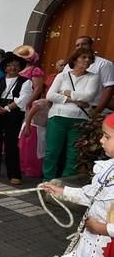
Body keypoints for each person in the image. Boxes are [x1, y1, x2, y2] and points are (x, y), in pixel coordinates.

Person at [39, 112, 114, 257]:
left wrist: (102, 229)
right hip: (92, 241)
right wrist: (62, 192)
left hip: (106, 247)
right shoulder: (109, 168)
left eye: (107, 136)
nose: (101, 141)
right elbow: (90, 194)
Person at [44, 47, 100, 181]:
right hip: (57, 117)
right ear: (75, 59)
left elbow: (89, 96)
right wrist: (72, 100)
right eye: (83, 57)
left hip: (79, 120)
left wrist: (67, 93)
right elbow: (50, 95)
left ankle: (65, 183)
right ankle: (47, 181)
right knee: (52, 151)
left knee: (73, 154)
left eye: (90, 58)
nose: (87, 60)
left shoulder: (93, 77)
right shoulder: (62, 75)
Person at [0, 52, 32, 185]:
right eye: (10, 65)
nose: (13, 67)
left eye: (16, 65)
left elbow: (23, 98)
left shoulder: (26, 82)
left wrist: (6, 109)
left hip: (13, 113)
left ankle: (14, 174)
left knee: (11, 143)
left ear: (20, 67)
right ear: (5, 67)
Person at [70, 35, 114, 115]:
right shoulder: (69, 65)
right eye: (77, 45)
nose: (80, 47)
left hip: (92, 109)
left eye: (83, 44)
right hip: (69, 107)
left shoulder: (104, 64)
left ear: (91, 45)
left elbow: (109, 88)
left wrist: (96, 112)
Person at [19, 98, 50, 178]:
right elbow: (30, 114)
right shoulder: (42, 103)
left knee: (38, 151)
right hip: (33, 127)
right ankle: (27, 168)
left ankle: (34, 170)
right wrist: (27, 127)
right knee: (30, 151)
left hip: (41, 129)